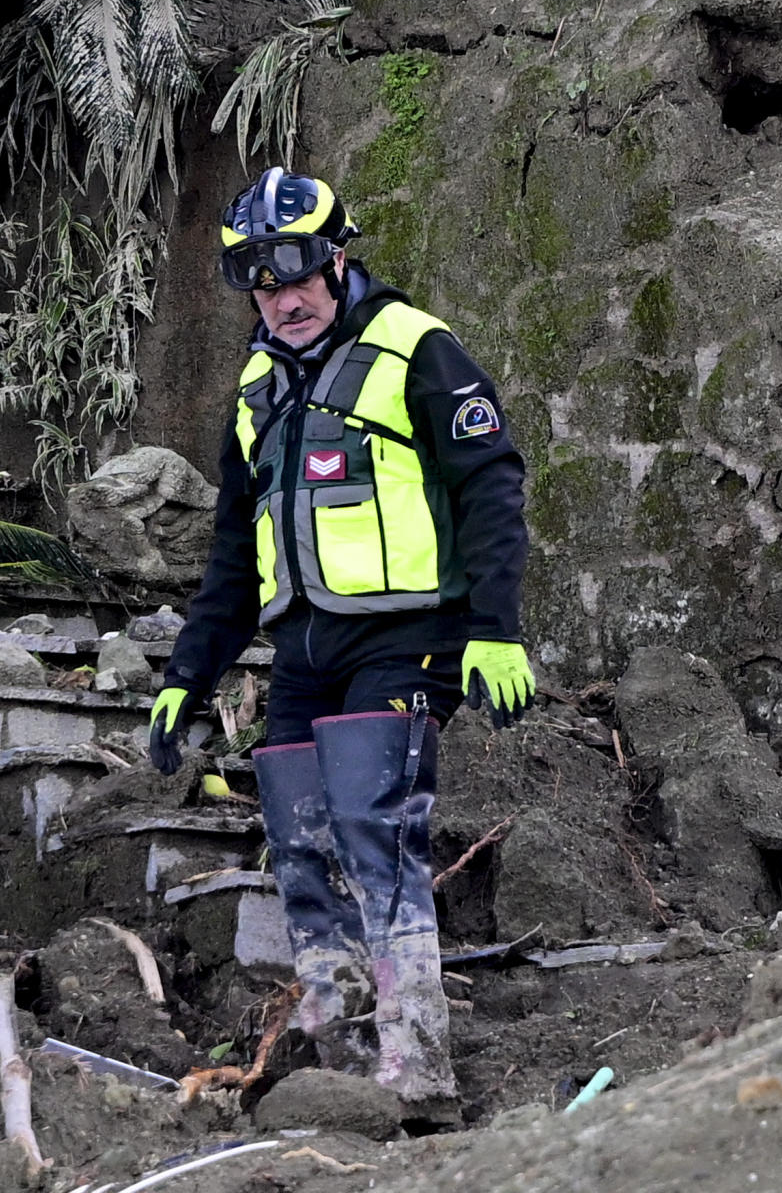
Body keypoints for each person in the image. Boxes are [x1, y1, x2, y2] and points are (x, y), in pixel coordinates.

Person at [145, 169, 534, 1111]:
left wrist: (496, 630)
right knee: (303, 847)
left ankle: (418, 1070)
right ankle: (344, 1072)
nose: (284, 299)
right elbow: (237, 549)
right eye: (262, 284)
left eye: (298, 275)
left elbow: (491, 485)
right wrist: (188, 672)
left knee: (372, 825)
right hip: (301, 654)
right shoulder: (255, 386)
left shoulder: (415, 349)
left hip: (408, 638)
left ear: (337, 257)